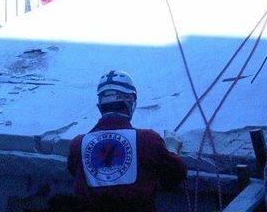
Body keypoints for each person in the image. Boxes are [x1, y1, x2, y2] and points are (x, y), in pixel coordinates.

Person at [67, 70, 187, 212]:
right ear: (130, 102)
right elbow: (175, 175)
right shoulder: (147, 140)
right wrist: (171, 149)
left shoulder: (78, 145)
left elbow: (74, 172)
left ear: (100, 106)